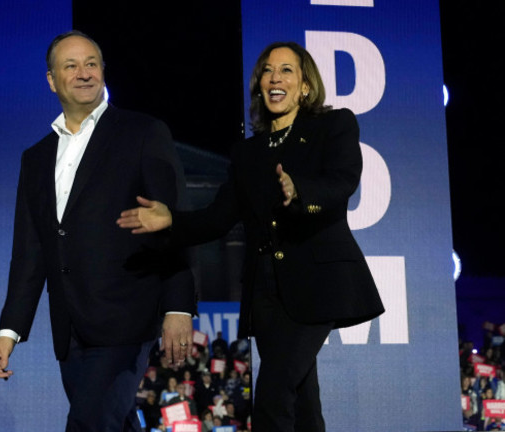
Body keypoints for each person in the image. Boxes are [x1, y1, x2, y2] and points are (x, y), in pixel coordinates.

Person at [117, 41, 385, 431]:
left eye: (287, 70)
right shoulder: (247, 153)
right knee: (303, 403)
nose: (275, 77)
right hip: (267, 295)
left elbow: (342, 182)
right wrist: (171, 219)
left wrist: (301, 192)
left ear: (305, 85)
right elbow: (216, 220)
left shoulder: (333, 125)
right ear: (259, 85)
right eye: (267, 71)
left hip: (321, 283)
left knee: (273, 396)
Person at [0, 30, 196, 432]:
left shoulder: (142, 132)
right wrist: (8, 332)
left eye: (91, 64)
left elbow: (175, 222)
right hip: (70, 329)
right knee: (110, 424)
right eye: (71, 66)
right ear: (51, 80)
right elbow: (30, 252)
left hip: (127, 317)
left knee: (89, 423)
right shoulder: (36, 157)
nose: (83, 74)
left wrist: (178, 307)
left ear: (102, 71)